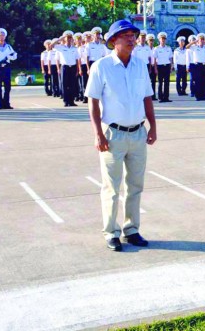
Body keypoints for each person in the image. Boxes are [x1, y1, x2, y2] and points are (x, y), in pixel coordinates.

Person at [85, 20, 157, 251]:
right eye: (125, 35)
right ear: (113, 40)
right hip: (112, 134)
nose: (130, 39)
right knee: (111, 188)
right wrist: (98, 133)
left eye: (133, 35)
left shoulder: (140, 65)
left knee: (135, 185)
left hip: (137, 133)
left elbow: (147, 97)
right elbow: (93, 101)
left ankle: (132, 229)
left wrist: (153, 126)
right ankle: (111, 232)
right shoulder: (101, 66)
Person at [56, 30, 81, 107]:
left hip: (73, 67)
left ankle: (71, 101)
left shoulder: (75, 48)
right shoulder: (61, 47)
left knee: (72, 84)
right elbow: (51, 45)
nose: (69, 39)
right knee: (64, 84)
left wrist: (78, 69)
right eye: (67, 38)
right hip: (65, 67)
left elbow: (77, 59)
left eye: (70, 38)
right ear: (65, 39)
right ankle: (66, 101)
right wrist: (61, 38)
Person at [154, 32, 173, 102]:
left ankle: (166, 97)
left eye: (164, 39)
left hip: (167, 66)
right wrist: (155, 69)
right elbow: (155, 60)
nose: (163, 40)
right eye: (162, 39)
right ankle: (160, 97)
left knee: (167, 83)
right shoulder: (156, 49)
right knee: (160, 83)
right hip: (160, 67)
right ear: (159, 39)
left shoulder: (169, 48)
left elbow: (171, 58)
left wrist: (171, 67)